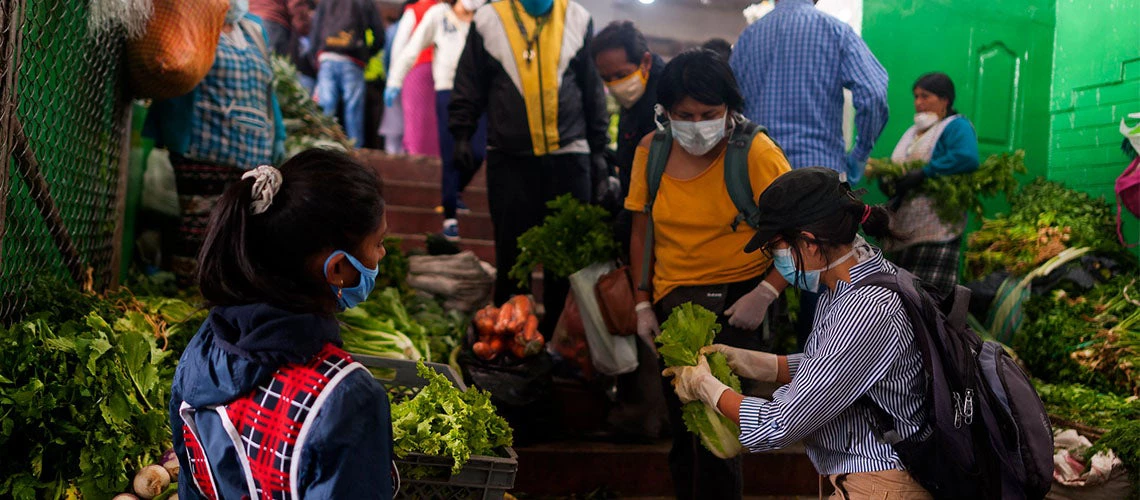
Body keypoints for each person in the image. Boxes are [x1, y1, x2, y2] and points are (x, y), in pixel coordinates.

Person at [662, 167, 932, 500]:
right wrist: (755, 363)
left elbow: (778, 425)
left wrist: (705, 386)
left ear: (809, 242)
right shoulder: (857, 277)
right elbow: (839, 364)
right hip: (867, 477)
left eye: (775, 247)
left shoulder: (866, 309)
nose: (776, 260)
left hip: (881, 484)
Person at [169, 149, 395, 499]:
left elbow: (191, 485)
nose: (382, 255)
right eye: (378, 243)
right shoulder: (347, 398)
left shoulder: (202, 349)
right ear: (336, 269)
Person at [625, 49, 791, 499]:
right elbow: (642, 228)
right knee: (684, 429)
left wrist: (766, 293)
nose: (697, 124)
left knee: (719, 435)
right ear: (665, 113)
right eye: (685, 114)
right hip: (674, 303)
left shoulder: (756, 152)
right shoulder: (651, 151)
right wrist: (642, 301)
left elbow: (795, 236)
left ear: (730, 110)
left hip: (739, 304)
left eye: (709, 113)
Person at [730, 0, 890, 348]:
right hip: (817, 186)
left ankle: (767, 377)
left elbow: (732, 109)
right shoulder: (835, 31)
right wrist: (858, 157)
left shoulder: (749, 37)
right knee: (825, 297)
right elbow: (874, 93)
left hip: (759, 179)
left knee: (758, 287)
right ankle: (820, 383)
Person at [449, 0, 611, 333]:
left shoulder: (578, 18)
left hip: (569, 156)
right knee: (511, 255)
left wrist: (599, 150)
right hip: (510, 159)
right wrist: (462, 133)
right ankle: (509, 339)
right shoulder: (489, 18)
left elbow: (592, 88)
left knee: (565, 262)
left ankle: (558, 340)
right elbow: (469, 80)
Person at [144, 1, 285, 285]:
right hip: (201, 150)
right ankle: (188, 304)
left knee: (238, 238)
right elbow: (173, 68)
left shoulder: (255, 30)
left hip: (251, 153)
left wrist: (278, 135)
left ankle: (226, 304)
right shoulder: (188, 20)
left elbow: (267, 91)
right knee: (200, 234)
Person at [588, 19, 668, 441]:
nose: (616, 84)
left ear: (646, 61)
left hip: (665, 236)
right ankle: (648, 413)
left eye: (621, 74)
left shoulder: (670, 97)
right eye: (606, 78)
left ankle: (653, 417)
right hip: (641, 227)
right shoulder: (635, 106)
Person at [385, 0, 489, 240]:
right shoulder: (438, 15)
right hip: (448, 92)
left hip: (478, 95)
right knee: (451, 154)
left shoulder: (485, 18)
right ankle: (450, 217)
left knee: (477, 152)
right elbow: (411, 48)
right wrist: (394, 81)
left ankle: (456, 191)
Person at [879, 72, 979, 298]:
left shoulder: (956, 126)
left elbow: (967, 157)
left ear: (945, 100)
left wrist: (925, 173)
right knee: (901, 300)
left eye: (925, 96)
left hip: (936, 231)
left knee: (927, 302)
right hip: (903, 230)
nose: (918, 102)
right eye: (915, 96)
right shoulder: (912, 133)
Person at [310, 0, 385, 147]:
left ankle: (323, 147)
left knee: (326, 107)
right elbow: (380, 35)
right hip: (353, 59)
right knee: (354, 109)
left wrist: (316, 58)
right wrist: (366, 54)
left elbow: (315, 31)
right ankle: (355, 152)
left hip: (327, 57)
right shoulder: (365, 2)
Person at [389, 0, 441, 156]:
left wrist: (394, 78)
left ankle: (415, 156)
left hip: (418, 72)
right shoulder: (447, 10)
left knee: (415, 123)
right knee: (436, 124)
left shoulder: (415, 10)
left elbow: (399, 46)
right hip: (441, 74)